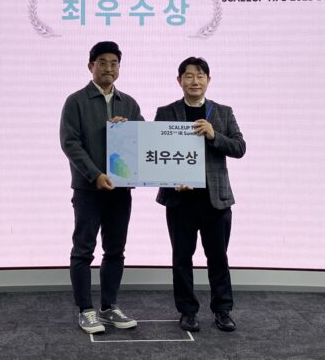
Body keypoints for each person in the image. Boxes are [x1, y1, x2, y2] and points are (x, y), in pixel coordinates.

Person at [155, 57, 246, 333]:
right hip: (180, 200)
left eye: (200, 75)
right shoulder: (166, 112)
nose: (194, 81)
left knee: (218, 258)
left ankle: (223, 310)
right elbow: (155, 153)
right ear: (179, 80)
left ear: (208, 80)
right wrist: (171, 181)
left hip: (215, 199)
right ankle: (187, 311)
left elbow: (239, 147)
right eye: (189, 75)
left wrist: (214, 134)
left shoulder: (223, 112)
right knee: (182, 258)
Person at [60, 41, 144, 334]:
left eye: (114, 63)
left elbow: (143, 140)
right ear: (91, 66)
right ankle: (86, 310)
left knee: (116, 250)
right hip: (88, 190)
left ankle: (109, 307)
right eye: (103, 62)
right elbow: (70, 143)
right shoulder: (76, 101)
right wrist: (95, 175)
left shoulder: (129, 103)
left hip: (120, 190)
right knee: (83, 250)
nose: (109, 68)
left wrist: (129, 128)